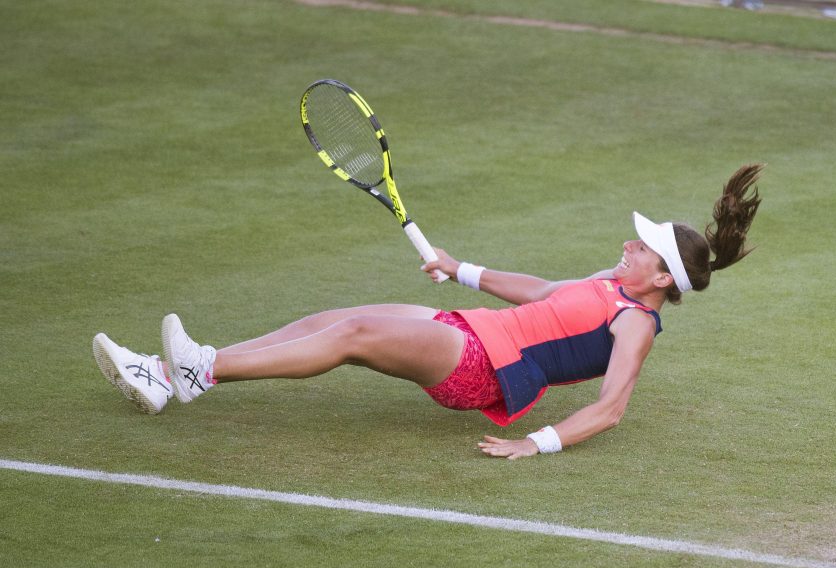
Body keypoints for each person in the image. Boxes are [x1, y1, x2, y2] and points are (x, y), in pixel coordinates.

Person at [92, 164, 763, 459]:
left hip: (480, 369)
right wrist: (459, 267)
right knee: (335, 317)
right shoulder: (609, 285)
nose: (627, 244)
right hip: (473, 332)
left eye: (640, 247)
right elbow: (537, 292)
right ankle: (162, 373)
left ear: (660, 278)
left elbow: (613, 406)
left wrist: (538, 441)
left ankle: (198, 371)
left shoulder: (635, 323)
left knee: (351, 335)